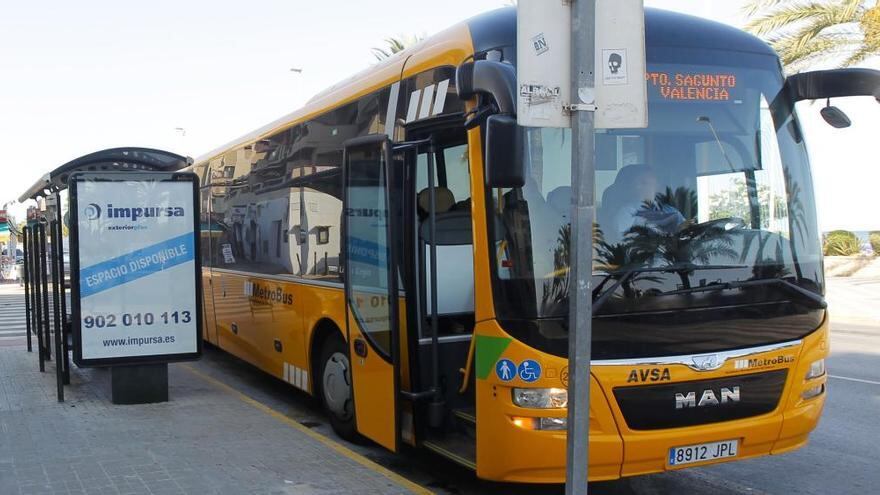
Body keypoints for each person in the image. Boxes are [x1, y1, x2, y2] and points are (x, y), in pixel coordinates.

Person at [601, 164, 686, 244]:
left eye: (645, 182)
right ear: (631, 187)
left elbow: (687, 235)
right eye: (639, 183)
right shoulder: (626, 212)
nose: (639, 186)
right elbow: (626, 241)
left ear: (656, 185)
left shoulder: (671, 211)